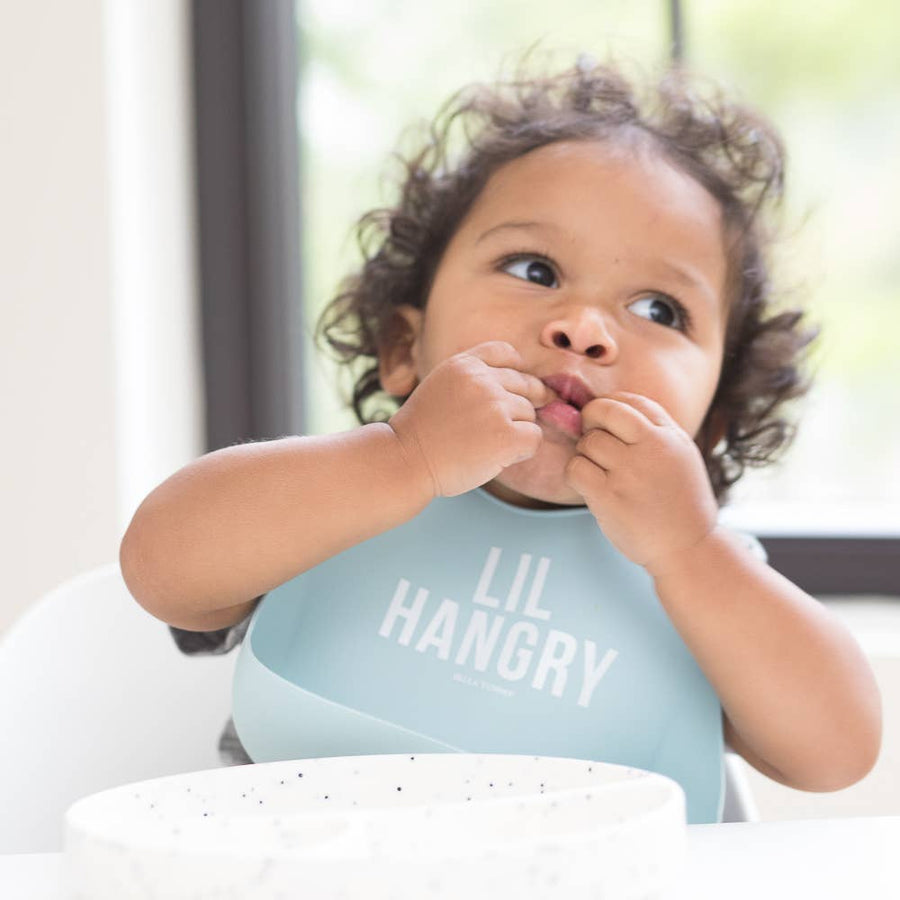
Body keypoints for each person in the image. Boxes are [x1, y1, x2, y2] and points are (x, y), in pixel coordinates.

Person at [120, 57, 881, 822]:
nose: (583, 329)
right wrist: (404, 457)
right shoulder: (334, 496)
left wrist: (690, 551)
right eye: (534, 268)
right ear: (403, 349)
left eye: (658, 309)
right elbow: (160, 569)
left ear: (708, 426)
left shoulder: (701, 577)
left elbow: (837, 753)